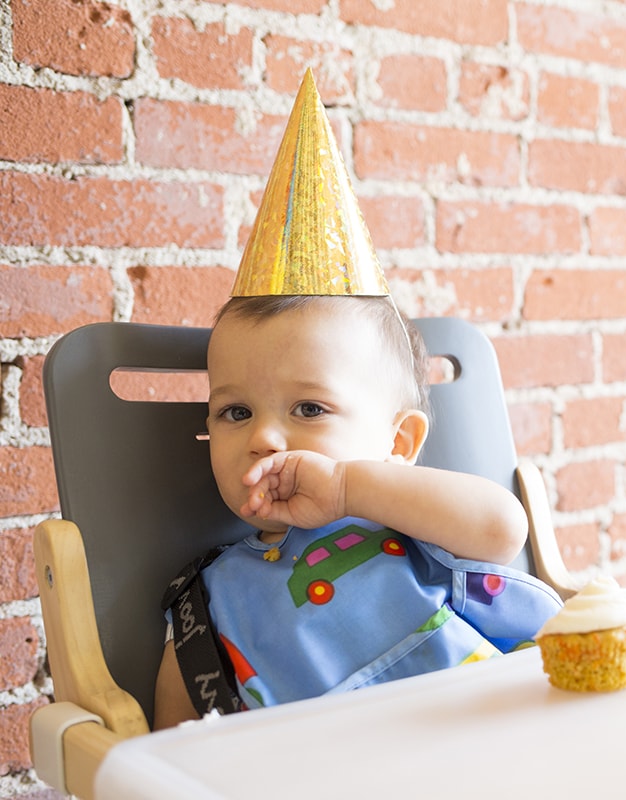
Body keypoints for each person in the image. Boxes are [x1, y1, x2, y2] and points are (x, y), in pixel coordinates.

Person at [152, 70, 562, 729]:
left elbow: (503, 529)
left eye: (309, 409)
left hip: (499, 739)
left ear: (398, 444)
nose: (264, 438)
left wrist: (350, 490)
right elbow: (171, 740)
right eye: (235, 412)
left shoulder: (407, 519)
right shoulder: (212, 598)